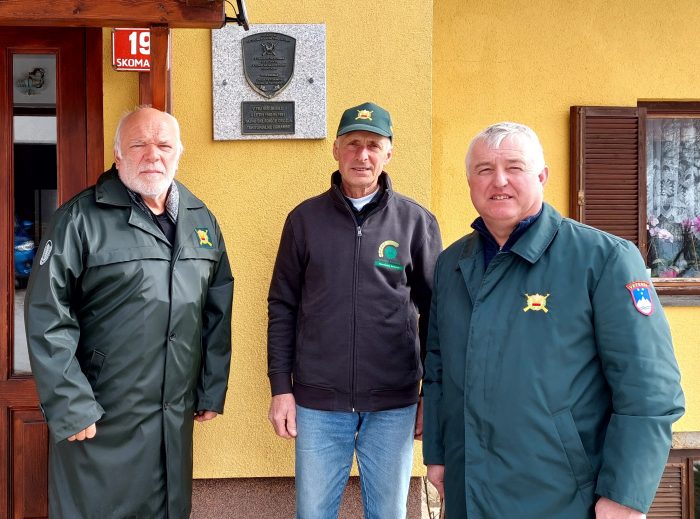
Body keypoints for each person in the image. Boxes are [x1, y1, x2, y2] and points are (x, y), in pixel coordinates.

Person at [422, 122, 685, 518]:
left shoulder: (603, 258)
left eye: (514, 167)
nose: (499, 181)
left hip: (563, 497)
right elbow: (439, 367)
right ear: (470, 181)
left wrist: (625, 494)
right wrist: (438, 454)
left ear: (542, 176)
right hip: (468, 489)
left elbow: (649, 389)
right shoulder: (452, 263)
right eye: (484, 170)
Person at [25, 106, 234, 518]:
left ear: (179, 153)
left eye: (164, 146)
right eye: (139, 144)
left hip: (172, 418)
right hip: (101, 418)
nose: (152, 155)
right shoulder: (80, 218)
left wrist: (211, 386)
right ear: (118, 155)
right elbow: (47, 314)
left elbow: (217, 308)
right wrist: (69, 403)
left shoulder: (201, 220)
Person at [267, 102, 442, 518]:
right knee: (313, 513)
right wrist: (281, 387)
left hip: (393, 404)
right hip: (318, 403)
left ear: (389, 153)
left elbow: (436, 316)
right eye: (352, 144)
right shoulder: (304, 220)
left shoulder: (416, 222)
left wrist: (430, 395)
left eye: (373, 145)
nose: (362, 155)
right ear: (336, 150)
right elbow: (282, 305)